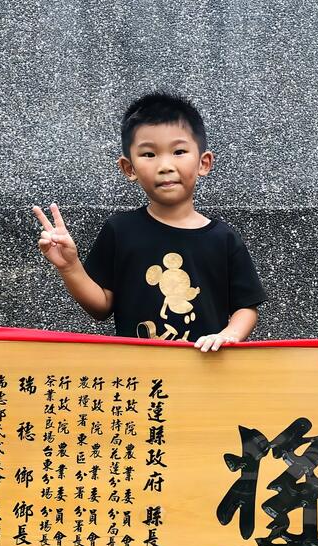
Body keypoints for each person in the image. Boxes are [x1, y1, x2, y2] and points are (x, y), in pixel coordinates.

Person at [32, 91, 265, 351]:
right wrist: (70, 267)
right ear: (129, 168)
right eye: (149, 154)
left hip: (207, 369)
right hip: (137, 370)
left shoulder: (224, 238)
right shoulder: (120, 230)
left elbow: (246, 306)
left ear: (204, 162)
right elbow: (101, 307)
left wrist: (229, 334)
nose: (165, 165)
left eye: (178, 151)